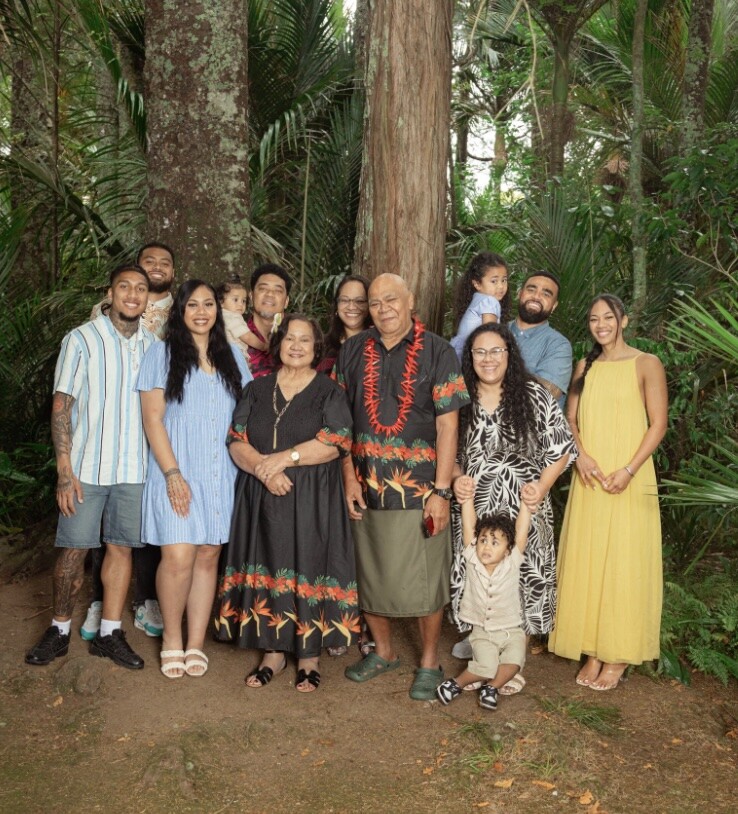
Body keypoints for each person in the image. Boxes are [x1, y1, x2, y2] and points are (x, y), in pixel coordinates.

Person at [335, 273, 470, 701]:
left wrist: (441, 491)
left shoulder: (439, 351)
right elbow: (339, 423)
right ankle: (384, 652)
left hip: (421, 488)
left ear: (410, 299)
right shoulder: (352, 350)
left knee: (425, 578)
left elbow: (449, 426)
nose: (383, 308)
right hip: (367, 483)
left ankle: (429, 661)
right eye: (375, 303)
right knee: (370, 571)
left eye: (391, 299)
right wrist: (348, 476)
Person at [215, 314, 358, 693]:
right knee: (269, 561)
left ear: (316, 349)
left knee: (307, 563)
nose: (296, 345)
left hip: (312, 498)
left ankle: (308, 657)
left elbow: (336, 441)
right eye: (289, 338)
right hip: (261, 497)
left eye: (304, 340)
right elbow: (236, 440)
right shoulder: (256, 389)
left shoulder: (329, 391)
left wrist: (284, 459)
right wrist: (265, 471)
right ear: (278, 344)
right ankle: (273, 654)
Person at [25, 264, 156, 669]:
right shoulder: (81, 339)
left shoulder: (154, 346)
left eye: (140, 289)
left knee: (121, 548)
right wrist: (65, 471)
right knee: (73, 549)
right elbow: (62, 405)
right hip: (86, 467)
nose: (133, 295)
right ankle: (59, 630)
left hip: (134, 469)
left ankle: (109, 633)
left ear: (148, 298)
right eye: (124, 287)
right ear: (111, 292)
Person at [548, 294, 667, 690]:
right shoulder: (586, 365)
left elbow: (658, 424)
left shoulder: (646, 363)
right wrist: (580, 457)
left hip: (629, 476)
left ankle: (617, 654)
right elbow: (569, 418)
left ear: (624, 320)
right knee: (592, 558)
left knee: (625, 562)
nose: (601, 325)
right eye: (594, 318)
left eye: (608, 318)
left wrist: (630, 469)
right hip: (592, 476)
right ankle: (594, 649)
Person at [450, 323, 576, 693]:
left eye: (496, 351)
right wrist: (457, 477)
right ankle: (482, 658)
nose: (488, 359)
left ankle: (512, 664)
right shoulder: (460, 397)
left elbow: (561, 448)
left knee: (517, 584)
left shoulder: (534, 394)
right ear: (470, 358)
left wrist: (541, 486)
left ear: (509, 355)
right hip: (477, 508)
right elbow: (449, 452)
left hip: (523, 505)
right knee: (480, 580)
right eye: (480, 352)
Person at [137, 280, 251, 679]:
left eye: (208, 304)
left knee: (207, 556)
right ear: (180, 312)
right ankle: (171, 638)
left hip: (221, 473)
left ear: (217, 311)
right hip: (177, 471)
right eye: (192, 305)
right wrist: (172, 474)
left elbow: (249, 416)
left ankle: (196, 642)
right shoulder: (162, 354)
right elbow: (153, 419)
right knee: (179, 556)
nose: (201, 312)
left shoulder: (234, 356)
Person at [83, 241, 178, 643]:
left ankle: (145, 600)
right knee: (106, 526)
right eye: (149, 262)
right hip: (108, 435)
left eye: (165, 263)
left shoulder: (182, 310)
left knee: (147, 522)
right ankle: (100, 601)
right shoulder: (103, 313)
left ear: (174, 272)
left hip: (156, 431)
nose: (157, 268)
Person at [436, 490, 532, 711]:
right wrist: (467, 499)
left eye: (495, 543)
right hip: (483, 631)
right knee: (486, 667)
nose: (487, 547)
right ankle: (455, 684)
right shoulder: (473, 561)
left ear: (508, 550)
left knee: (514, 662)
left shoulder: (512, 563)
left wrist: (526, 506)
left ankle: (492, 688)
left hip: (511, 630)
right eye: (483, 541)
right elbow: (469, 527)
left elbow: (521, 533)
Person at [508, 270, 572, 410]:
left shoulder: (558, 345)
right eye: (531, 289)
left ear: (554, 306)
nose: (536, 296)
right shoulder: (492, 332)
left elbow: (545, 394)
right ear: (519, 294)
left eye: (546, 294)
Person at [450, 252, 510, 361]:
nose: (501, 286)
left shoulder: (478, 299)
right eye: (494, 281)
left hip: (460, 355)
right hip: (471, 355)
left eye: (504, 280)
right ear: (477, 284)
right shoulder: (489, 301)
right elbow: (490, 334)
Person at [244, 263, 292, 377]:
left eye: (278, 290)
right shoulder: (233, 337)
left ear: (286, 302)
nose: (270, 294)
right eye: (263, 288)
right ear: (251, 297)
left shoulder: (298, 340)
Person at [317, 274, 371, 374]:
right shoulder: (322, 347)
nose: (351, 307)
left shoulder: (378, 345)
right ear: (337, 306)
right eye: (345, 300)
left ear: (369, 306)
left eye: (359, 301)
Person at [215, 275, 268, 363]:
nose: (240, 304)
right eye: (235, 300)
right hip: (233, 355)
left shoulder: (219, 315)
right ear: (221, 302)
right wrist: (263, 346)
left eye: (243, 301)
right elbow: (247, 337)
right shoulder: (232, 317)